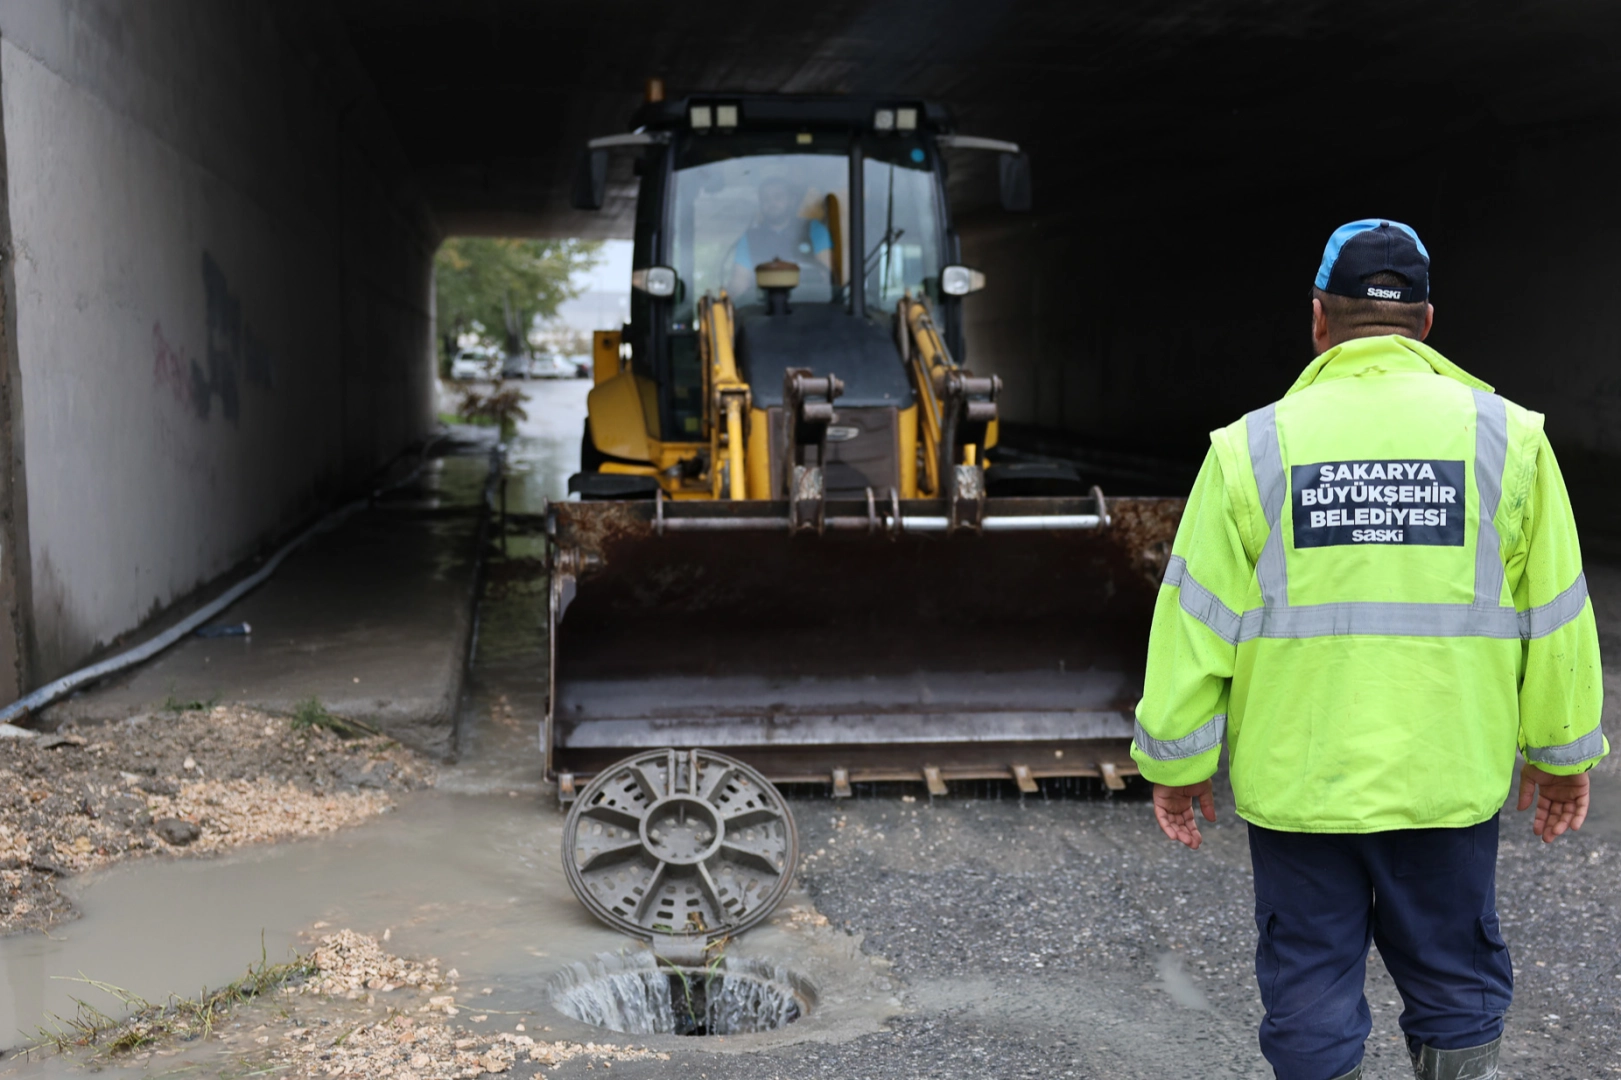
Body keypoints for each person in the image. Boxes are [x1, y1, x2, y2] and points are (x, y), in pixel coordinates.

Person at [1131, 219, 1605, 1080]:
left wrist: (1177, 762)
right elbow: (1557, 618)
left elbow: (1191, 618)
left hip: (1300, 784)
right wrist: (1561, 756)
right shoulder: (1512, 442)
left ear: (1318, 318)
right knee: (1456, 980)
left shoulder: (1250, 448)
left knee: (1308, 986)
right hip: (1446, 777)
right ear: (1426, 323)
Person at [727, 175, 832, 297]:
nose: (772, 203)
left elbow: (827, 275)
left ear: (791, 201)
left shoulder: (813, 229)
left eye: (778, 197)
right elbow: (739, 282)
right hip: (762, 309)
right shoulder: (750, 238)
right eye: (765, 199)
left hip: (811, 306)